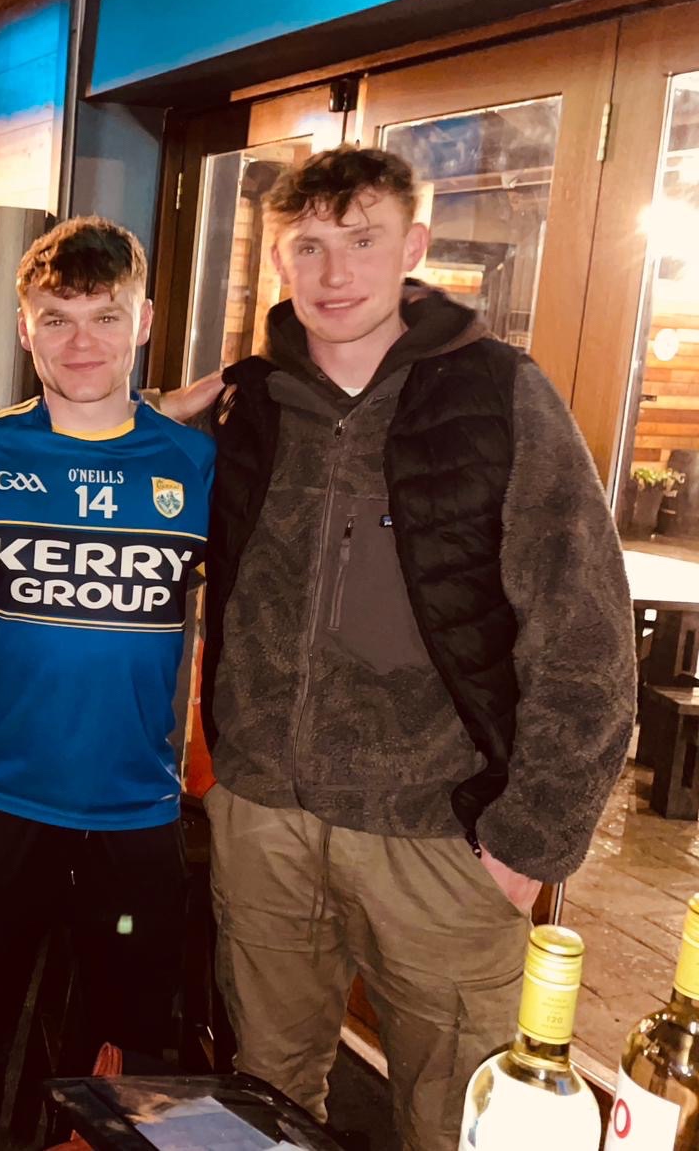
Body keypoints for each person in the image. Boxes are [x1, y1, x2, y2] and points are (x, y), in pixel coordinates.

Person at [199, 145, 635, 1150]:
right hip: (263, 818)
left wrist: (530, 843)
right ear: (279, 259)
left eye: (362, 241)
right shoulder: (251, 405)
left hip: (436, 834)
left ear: (413, 247)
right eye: (309, 246)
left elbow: (586, 636)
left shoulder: (497, 395)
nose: (334, 273)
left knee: (452, 1120)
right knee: (265, 1101)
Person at [0, 217, 214, 1148]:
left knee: (131, 1055)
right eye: (56, 319)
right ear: (24, 327)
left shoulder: (195, 464)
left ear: (144, 322)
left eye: (105, 317)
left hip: (133, 810)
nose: (81, 342)